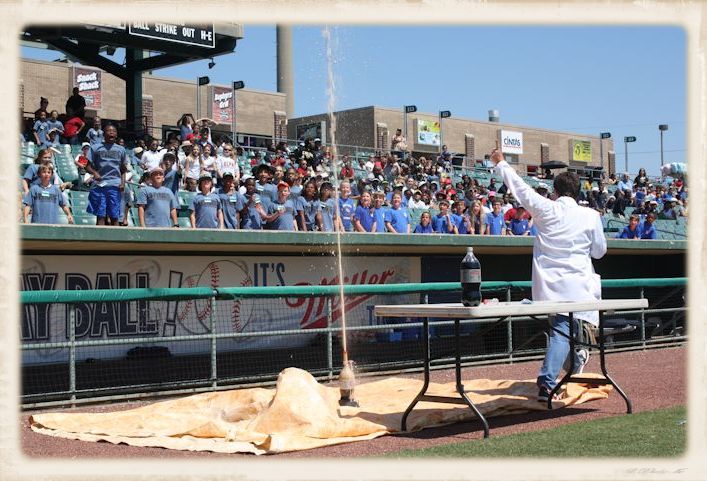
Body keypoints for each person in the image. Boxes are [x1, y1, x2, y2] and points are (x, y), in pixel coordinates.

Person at [490, 147, 606, 402]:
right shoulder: (591, 216)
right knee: (564, 330)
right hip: (580, 287)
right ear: (578, 193)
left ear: (555, 191)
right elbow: (599, 252)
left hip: (553, 287)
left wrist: (501, 164)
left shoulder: (547, 208)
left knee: (561, 330)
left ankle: (548, 381)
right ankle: (575, 360)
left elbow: (520, 189)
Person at [83, 124, 129, 226]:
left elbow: (123, 169)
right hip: (100, 185)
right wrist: (95, 173)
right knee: (101, 216)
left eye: (114, 131)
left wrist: (123, 183)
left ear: (116, 134)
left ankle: (115, 241)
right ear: (104, 134)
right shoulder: (95, 148)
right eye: (109, 131)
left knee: (114, 216)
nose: (111, 132)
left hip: (115, 185)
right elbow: (87, 166)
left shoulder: (121, 150)